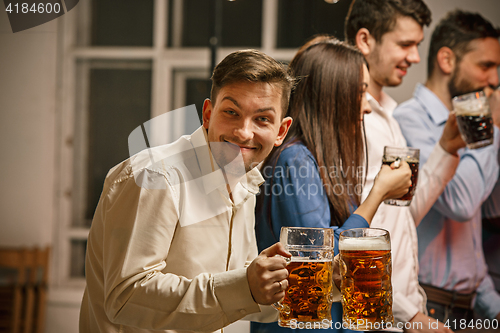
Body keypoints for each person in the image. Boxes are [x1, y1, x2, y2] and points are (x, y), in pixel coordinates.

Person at [79, 49, 298, 333]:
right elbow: (125, 298)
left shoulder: (244, 181)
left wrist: (327, 284)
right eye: (231, 112)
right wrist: (245, 288)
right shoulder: (155, 175)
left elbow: (239, 300)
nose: (244, 132)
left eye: (262, 119)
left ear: (281, 131)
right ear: (208, 114)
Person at [251, 36, 413, 333]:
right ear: (333, 96)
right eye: (361, 93)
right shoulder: (295, 159)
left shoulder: (316, 158)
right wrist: (378, 193)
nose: (366, 108)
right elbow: (321, 257)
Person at [345, 1, 465, 332]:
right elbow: (352, 236)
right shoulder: (352, 120)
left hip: (399, 311)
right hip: (380, 315)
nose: (414, 57)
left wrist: (446, 150)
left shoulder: (388, 113)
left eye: (417, 45)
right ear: (366, 40)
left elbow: (401, 213)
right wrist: (408, 314)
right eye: (405, 44)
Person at [393, 9, 500, 327]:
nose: (495, 79)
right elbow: (461, 202)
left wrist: (492, 306)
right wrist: (489, 126)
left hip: (473, 305)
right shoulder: (407, 120)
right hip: (429, 305)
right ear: (447, 60)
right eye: (486, 66)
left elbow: (486, 212)